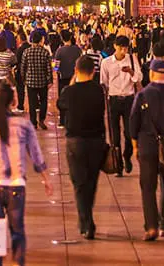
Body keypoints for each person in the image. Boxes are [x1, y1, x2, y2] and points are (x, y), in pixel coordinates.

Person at [0, 81, 53, 266]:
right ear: (12, 101)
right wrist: (46, 179)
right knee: (17, 231)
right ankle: (18, 262)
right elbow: (36, 154)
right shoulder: (24, 125)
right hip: (16, 185)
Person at [131, 58, 164, 240]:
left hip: (148, 145)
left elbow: (133, 122)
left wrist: (135, 146)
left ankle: (151, 227)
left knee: (148, 187)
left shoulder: (143, 95)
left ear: (152, 73)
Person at [56, 55, 106, 239]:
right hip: (96, 141)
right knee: (91, 181)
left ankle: (86, 222)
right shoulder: (98, 90)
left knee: (79, 183)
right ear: (93, 72)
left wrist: (71, 83)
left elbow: (60, 105)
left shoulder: (69, 92)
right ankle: (87, 217)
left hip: (75, 141)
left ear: (76, 71)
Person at [101, 35, 142, 175]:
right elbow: (104, 82)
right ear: (115, 46)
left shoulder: (132, 59)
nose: (123, 51)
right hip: (113, 100)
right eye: (121, 48)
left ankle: (127, 156)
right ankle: (118, 164)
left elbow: (139, 77)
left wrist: (130, 71)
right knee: (115, 135)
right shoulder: (106, 62)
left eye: (125, 48)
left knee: (129, 133)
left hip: (129, 99)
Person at [19, 30, 53, 130]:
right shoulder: (45, 52)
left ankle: (33, 122)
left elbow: (23, 67)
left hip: (30, 81)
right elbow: (49, 68)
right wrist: (50, 80)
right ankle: (41, 119)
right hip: (42, 81)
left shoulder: (26, 52)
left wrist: (23, 79)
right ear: (41, 40)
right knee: (43, 101)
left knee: (32, 103)